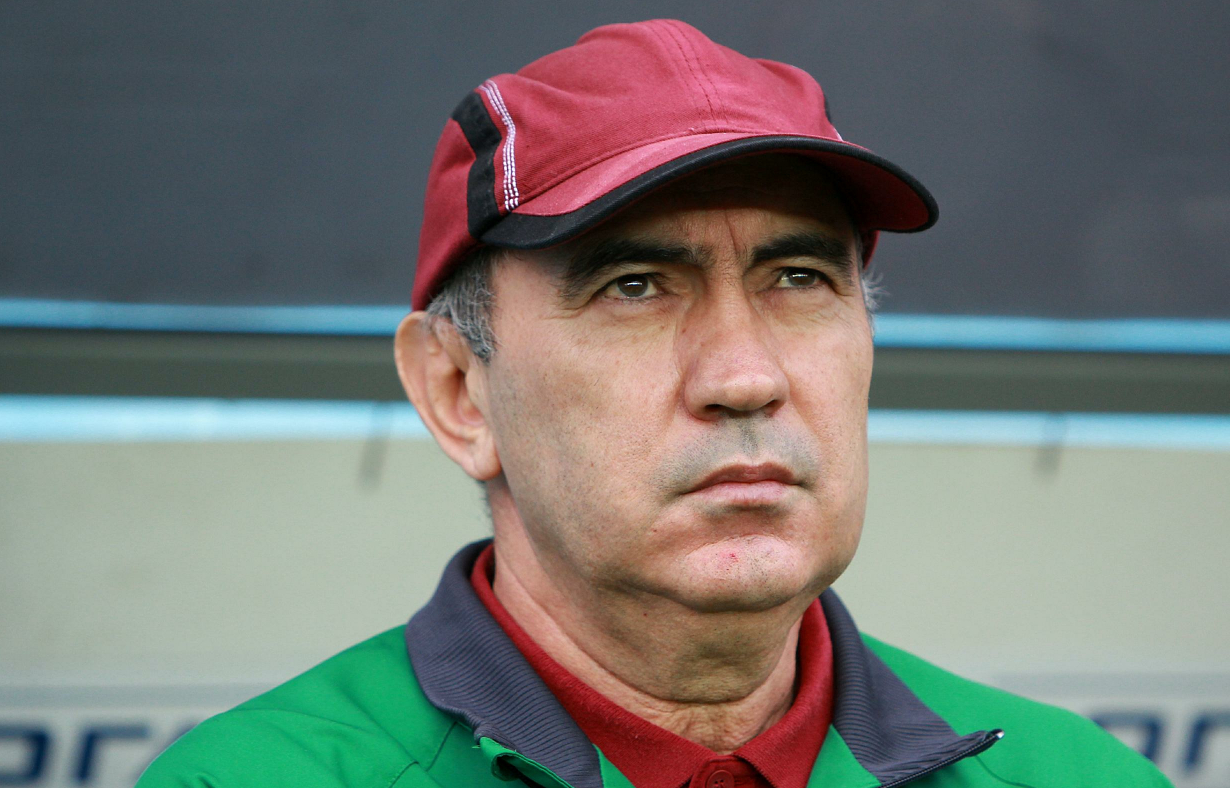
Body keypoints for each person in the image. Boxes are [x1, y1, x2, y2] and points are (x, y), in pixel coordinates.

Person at [138, 19, 1171, 788]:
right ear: (458, 392)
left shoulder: (1073, 776)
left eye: (798, 278)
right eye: (633, 286)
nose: (744, 377)